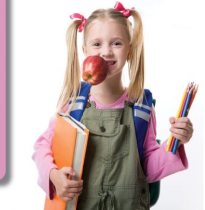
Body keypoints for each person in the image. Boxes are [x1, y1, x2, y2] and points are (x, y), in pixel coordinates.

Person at [32, 2, 193, 209]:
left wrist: (176, 142)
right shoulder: (74, 104)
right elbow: (42, 147)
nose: (106, 52)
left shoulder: (141, 107)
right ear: (85, 50)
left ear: (129, 50)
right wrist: (54, 176)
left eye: (116, 43)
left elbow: (147, 168)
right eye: (97, 44)